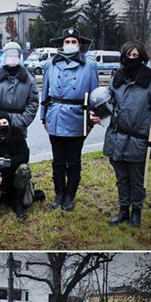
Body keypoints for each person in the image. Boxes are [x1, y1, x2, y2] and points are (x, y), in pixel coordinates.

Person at [98, 40, 151, 228]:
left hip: (138, 140)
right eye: (129, 55)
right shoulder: (117, 78)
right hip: (116, 138)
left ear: (142, 58)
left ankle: (136, 212)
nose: (132, 59)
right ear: (123, 57)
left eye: (135, 55)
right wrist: (97, 115)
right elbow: (108, 103)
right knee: (121, 178)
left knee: (136, 180)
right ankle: (123, 210)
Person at [41, 28, 99, 211]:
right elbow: (45, 92)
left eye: (74, 41)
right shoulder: (50, 64)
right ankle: (59, 194)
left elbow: (95, 96)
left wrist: (90, 121)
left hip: (77, 118)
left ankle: (70, 196)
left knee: (73, 160)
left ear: (80, 44)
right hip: (55, 116)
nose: (70, 45)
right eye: (67, 41)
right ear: (62, 44)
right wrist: (44, 117)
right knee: (58, 160)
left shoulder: (90, 65)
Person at [0, 41, 39, 136]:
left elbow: (33, 103)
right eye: (9, 56)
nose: (12, 59)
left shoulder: (29, 80)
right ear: (5, 58)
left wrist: (23, 121)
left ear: (19, 58)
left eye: (15, 56)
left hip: (18, 127)